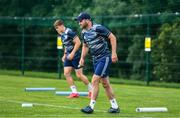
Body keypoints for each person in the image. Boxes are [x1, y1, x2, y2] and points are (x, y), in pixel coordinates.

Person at [75, 12, 120, 113]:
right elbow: (85, 45)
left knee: (95, 80)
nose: (79, 23)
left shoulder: (98, 28)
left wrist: (113, 53)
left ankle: (91, 107)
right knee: (105, 83)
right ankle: (115, 107)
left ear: (87, 20)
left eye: (80, 21)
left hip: (104, 57)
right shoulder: (83, 32)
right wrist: (82, 58)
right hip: (96, 59)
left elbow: (112, 37)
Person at [54, 19, 92, 98]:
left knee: (79, 75)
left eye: (57, 28)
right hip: (68, 56)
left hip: (76, 56)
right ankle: (74, 93)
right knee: (66, 73)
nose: (57, 30)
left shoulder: (69, 32)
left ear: (61, 25)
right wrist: (65, 55)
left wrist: (72, 53)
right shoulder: (62, 35)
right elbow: (66, 45)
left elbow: (78, 42)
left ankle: (91, 91)